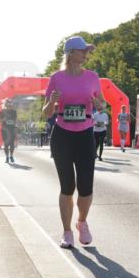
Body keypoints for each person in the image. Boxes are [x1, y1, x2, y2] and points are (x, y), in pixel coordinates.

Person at [42, 36, 106, 249]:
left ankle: (82, 222)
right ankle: (67, 232)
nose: (86, 53)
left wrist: (98, 104)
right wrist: (52, 102)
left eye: (87, 50)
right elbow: (46, 113)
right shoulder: (56, 78)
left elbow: (102, 106)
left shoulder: (92, 77)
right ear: (71, 53)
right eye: (82, 50)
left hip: (86, 134)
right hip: (62, 135)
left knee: (86, 187)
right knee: (67, 186)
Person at [0, 99, 18, 163]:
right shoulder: (1, 112)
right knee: (6, 144)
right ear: (5, 104)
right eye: (7, 103)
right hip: (5, 130)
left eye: (10, 103)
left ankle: (11, 156)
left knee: (12, 144)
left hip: (12, 129)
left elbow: (15, 120)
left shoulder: (14, 112)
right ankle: (7, 157)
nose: (9, 104)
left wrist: (14, 123)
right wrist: (4, 119)